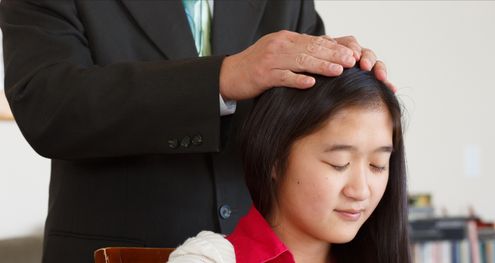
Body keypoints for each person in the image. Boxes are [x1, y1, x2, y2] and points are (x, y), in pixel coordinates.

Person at [0, 0, 394, 262]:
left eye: (378, 164)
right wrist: (222, 78)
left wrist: (348, 72)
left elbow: (306, 106)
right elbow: (47, 106)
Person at [168, 66, 411, 263]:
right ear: (275, 157)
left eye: (377, 165)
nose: (361, 191)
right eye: (340, 163)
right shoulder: (210, 259)